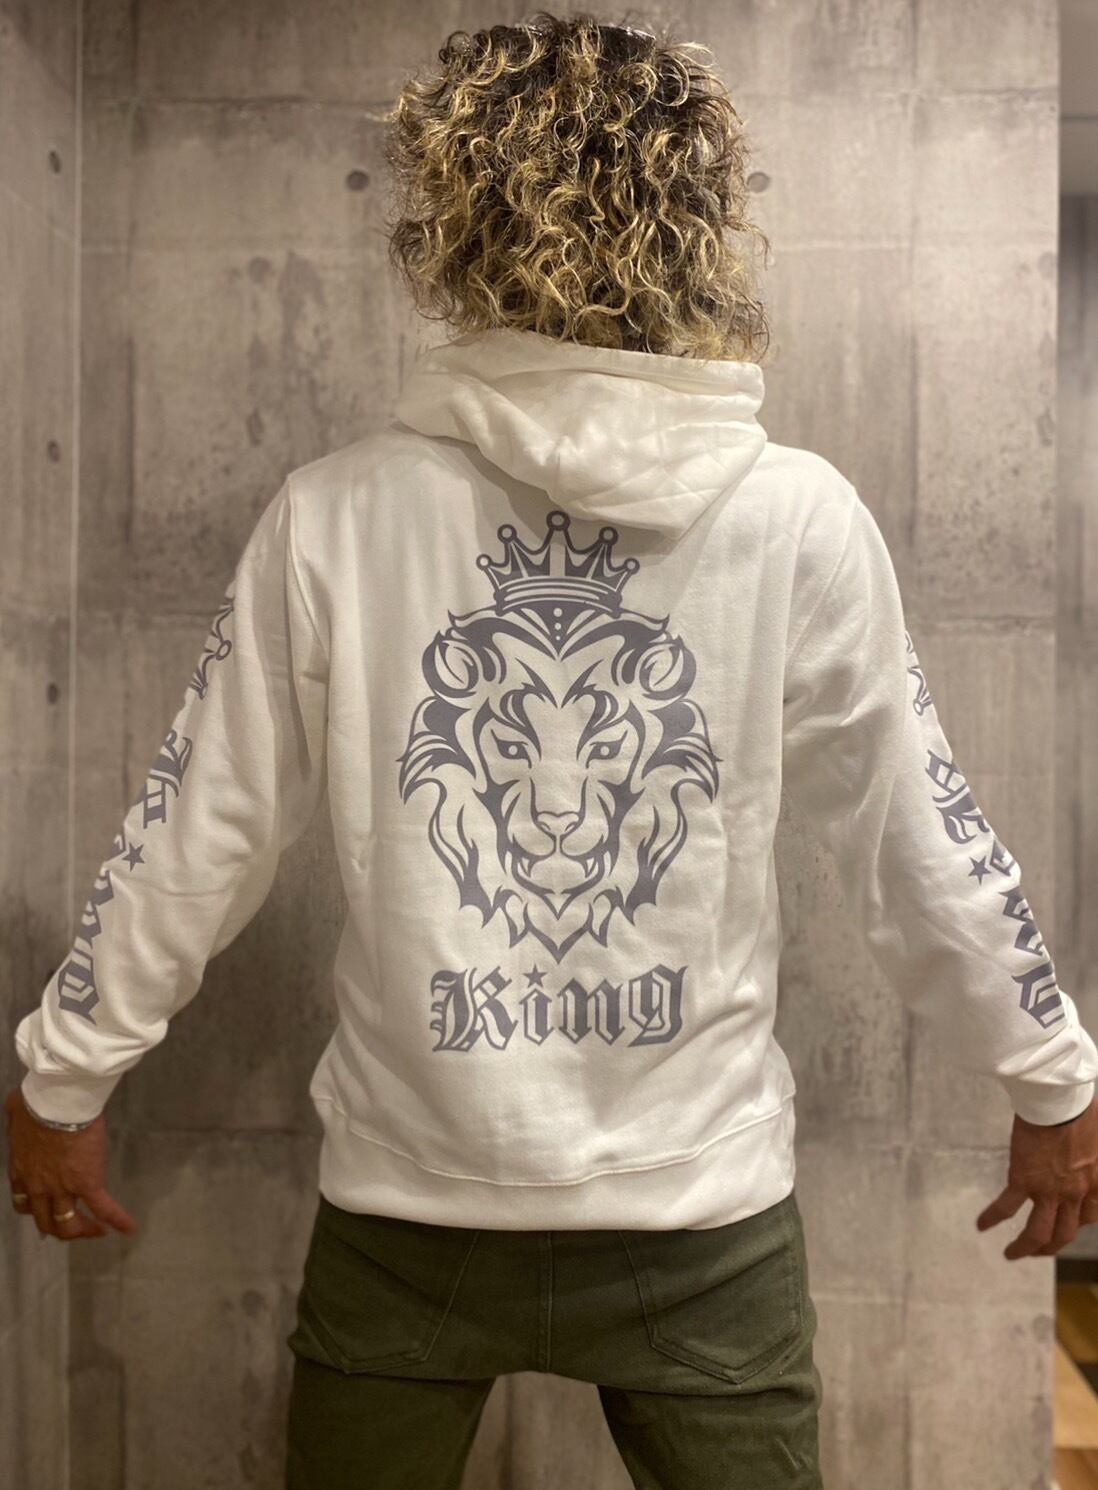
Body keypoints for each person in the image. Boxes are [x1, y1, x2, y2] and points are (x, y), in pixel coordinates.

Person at [7, 11, 1098, 1489]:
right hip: (694, 1216)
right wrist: (1049, 1076)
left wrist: (64, 1076)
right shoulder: (792, 516)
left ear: (450, 216)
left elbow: (202, 829)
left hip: (417, 1208)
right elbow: (916, 837)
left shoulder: (340, 513)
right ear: (702, 220)